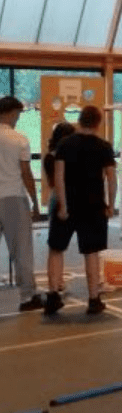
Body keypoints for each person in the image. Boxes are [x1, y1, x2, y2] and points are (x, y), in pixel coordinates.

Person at [53, 105, 116, 315]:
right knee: (91, 253)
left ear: (79, 120)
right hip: (93, 205)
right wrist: (111, 205)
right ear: (98, 123)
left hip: (69, 203)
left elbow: (59, 177)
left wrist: (63, 205)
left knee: (56, 249)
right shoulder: (104, 147)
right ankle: (94, 299)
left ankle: (53, 296)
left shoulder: (64, 144)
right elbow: (111, 178)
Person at [0, 96, 42, 312]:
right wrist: (35, 202)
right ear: (11, 113)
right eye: (18, 114)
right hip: (13, 198)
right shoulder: (19, 139)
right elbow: (26, 173)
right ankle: (28, 297)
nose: (18, 119)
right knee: (21, 250)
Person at [42, 121, 75, 313]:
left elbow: (52, 182)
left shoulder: (50, 157)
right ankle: (58, 282)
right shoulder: (69, 155)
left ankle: (56, 284)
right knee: (57, 247)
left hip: (56, 199)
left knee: (55, 247)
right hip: (68, 199)